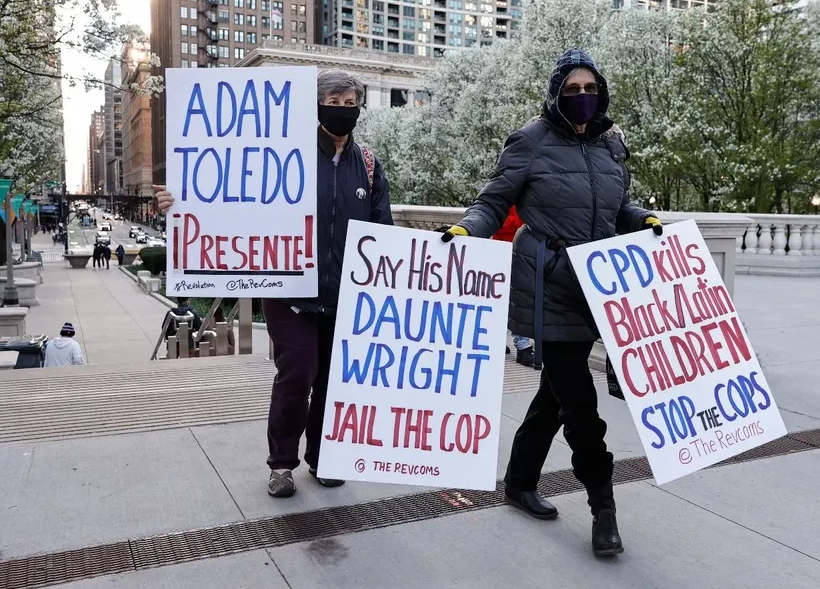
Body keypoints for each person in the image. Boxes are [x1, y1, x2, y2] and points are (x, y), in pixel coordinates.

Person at [440, 49, 662, 557]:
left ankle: (518, 482)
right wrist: (466, 229)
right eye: (572, 90)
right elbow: (494, 201)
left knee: (554, 398)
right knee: (581, 406)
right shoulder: (530, 140)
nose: (583, 98)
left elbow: (617, 205)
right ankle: (604, 510)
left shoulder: (611, 145)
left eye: (591, 89)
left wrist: (642, 219)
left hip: (597, 290)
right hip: (549, 288)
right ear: (556, 94)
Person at [154, 68, 394, 498]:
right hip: (289, 292)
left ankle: (323, 457)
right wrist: (178, 202)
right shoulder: (284, 153)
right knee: (297, 375)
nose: (341, 111)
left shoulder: (371, 166)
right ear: (316, 106)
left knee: (333, 382)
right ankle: (282, 463)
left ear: (359, 107)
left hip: (345, 295)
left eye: (349, 103)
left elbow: (384, 231)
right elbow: (231, 197)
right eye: (332, 103)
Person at [492, 207, 536, 368]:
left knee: (518, 300)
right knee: (509, 300)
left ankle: (505, 342)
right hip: (503, 252)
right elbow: (497, 221)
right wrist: (526, 219)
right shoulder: (509, 193)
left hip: (523, 253)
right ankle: (521, 346)